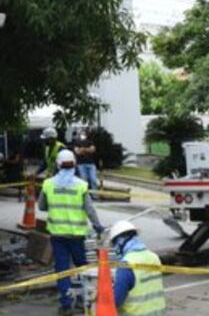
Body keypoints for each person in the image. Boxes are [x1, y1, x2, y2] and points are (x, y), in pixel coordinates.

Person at [39, 149, 104, 315]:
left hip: (58, 235)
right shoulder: (81, 185)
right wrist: (97, 226)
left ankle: (66, 303)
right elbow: (90, 210)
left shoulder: (48, 184)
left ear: (58, 165)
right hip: (77, 235)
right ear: (74, 164)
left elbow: (41, 206)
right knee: (83, 268)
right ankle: (84, 300)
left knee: (62, 270)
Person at [108, 220, 165, 315]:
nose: (114, 248)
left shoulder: (126, 264)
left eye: (114, 244)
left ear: (120, 241)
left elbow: (116, 301)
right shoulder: (154, 257)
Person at [72, 128, 100, 192]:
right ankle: (85, 194)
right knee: (84, 180)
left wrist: (82, 149)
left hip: (91, 164)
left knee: (93, 179)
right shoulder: (77, 143)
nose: (83, 135)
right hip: (81, 164)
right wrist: (87, 150)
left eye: (84, 134)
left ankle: (95, 195)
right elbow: (77, 152)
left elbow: (92, 150)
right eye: (81, 134)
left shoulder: (90, 142)